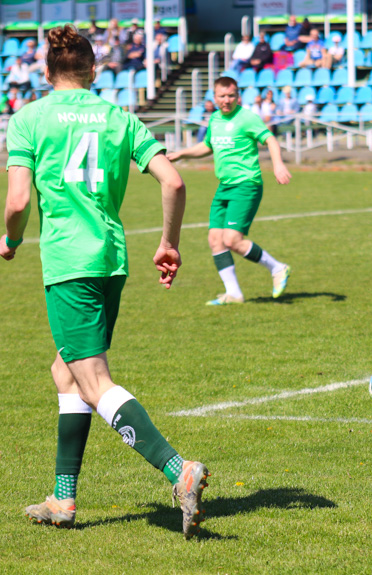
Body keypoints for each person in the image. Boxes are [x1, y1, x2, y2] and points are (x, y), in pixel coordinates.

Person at [1, 25, 209, 537]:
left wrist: (10, 239)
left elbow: (18, 202)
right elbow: (174, 180)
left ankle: (176, 469)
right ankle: (63, 499)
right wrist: (169, 242)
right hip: (110, 261)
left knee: (93, 379)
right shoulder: (120, 118)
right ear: (95, 70)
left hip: (69, 263)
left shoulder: (30, 118)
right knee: (66, 371)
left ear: (47, 73)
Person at [167, 76, 293, 305]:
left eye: (231, 96)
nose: (226, 100)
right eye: (222, 96)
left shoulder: (247, 118)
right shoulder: (214, 119)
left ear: (238, 96)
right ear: (214, 98)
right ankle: (234, 293)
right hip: (224, 186)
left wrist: (278, 165)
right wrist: (181, 154)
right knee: (215, 239)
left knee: (233, 239)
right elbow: (208, 146)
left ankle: (278, 268)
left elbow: (271, 140)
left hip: (246, 185)